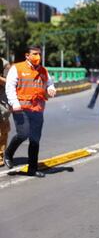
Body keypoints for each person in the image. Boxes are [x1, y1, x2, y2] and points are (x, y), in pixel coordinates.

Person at [4, 46, 56, 177]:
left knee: (35, 140)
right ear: (27, 55)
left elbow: (49, 83)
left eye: (39, 54)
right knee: (23, 134)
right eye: (35, 54)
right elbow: (9, 87)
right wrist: (14, 103)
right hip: (20, 108)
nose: (38, 56)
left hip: (37, 109)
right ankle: (8, 154)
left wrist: (51, 88)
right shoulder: (17, 68)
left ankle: (32, 169)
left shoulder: (44, 70)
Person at [0, 58, 11, 167]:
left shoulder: (5, 64)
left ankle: (1, 155)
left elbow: (10, 82)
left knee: (3, 130)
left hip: (2, 100)